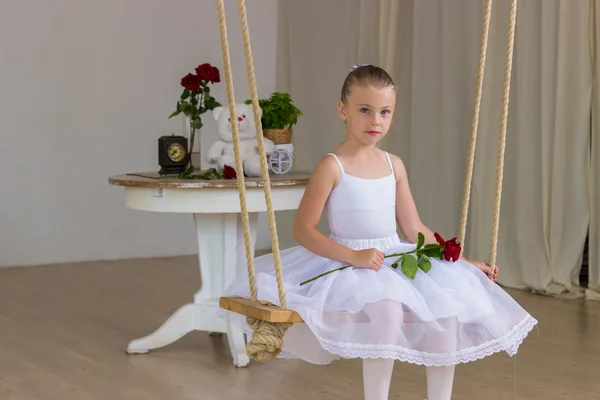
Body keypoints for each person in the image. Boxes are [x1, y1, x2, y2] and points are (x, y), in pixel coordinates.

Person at [222, 64, 537, 400]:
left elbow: (413, 228)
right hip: (350, 261)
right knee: (386, 310)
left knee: (446, 310)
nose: (376, 121)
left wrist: (461, 262)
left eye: (385, 112)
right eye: (365, 110)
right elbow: (304, 230)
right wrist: (354, 257)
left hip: (394, 257)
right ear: (343, 110)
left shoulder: (393, 165)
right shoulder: (332, 166)